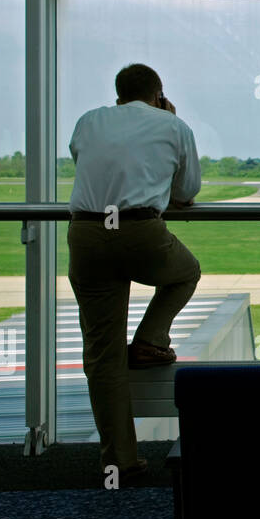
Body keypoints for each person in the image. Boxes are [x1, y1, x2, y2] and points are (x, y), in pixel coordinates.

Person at [67, 63, 202, 481]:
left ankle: (119, 461)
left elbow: (84, 159)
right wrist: (170, 119)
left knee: (103, 357)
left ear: (118, 94)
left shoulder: (89, 121)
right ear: (159, 94)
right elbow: (187, 192)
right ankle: (149, 339)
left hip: (87, 232)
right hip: (140, 231)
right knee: (186, 272)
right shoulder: (172, 124)